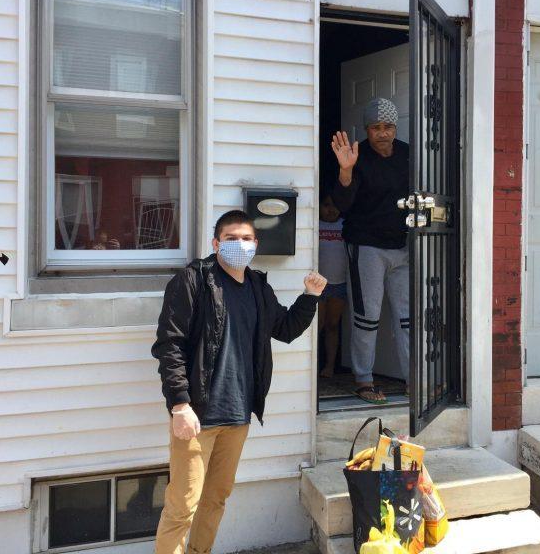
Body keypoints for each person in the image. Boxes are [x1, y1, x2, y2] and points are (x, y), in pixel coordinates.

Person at [152, 210, 326, 554]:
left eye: (246, 239)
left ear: (255, 245)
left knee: (215, 500)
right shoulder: (193, 280)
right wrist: (180, 404)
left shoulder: (259, 287)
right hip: (197, 415)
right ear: (216, 243)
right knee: (182, 505)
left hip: (238, 415)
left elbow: (286, 329)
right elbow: (169, 345)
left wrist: (310, 297)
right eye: (231, 238)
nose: (239, 244)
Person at [331, 97, 409, 404]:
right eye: (375, 127)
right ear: (367, 128)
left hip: (404, 246)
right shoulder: (355, 156)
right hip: (366, 247)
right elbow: (342, 206)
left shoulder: (407, 154)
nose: (382, 133)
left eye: (387, 126)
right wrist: (346, 171)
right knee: (367, 317)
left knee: (408, 318)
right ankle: (364, 380)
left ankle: (414, 380)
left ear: (395, 127)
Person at [317, 193, 347, 379]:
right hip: (318, 283)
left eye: (336, 205)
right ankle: (314, 365)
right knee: (317, 325)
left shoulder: (345, 225)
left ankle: (329, 367)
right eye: (326, 204)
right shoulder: (314, 224)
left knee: (333, 326)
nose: (331, 209)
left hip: (339, 282)